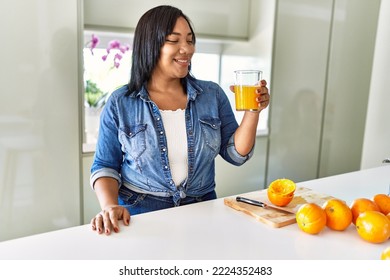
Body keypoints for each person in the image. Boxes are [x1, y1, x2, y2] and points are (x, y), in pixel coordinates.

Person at [90, 5, 270, 235]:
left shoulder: (211, 95)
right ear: (150, 45)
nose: (186, 49)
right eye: (174, 41)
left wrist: (253, 111)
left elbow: (236, 154)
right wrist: (110, 206)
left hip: (202, 210)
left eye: (190, 40)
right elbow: (105, 166)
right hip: (140, 215)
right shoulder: (120, 102)